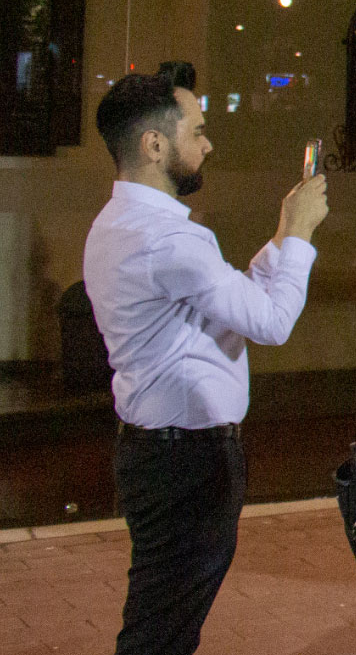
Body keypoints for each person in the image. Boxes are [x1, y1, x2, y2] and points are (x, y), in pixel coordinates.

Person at [84, 66, 328, 655]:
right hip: (186, 460)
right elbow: (269, 321)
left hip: (154, 450)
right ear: (154, 144)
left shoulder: (117, 224)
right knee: (163, 631)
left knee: (161, 616)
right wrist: (298, 234)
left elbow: (235, 301)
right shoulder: (169, 240)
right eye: (198, 130)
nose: (209, 142)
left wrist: (283, 237)